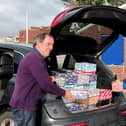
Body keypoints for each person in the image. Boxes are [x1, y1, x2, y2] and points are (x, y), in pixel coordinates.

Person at [9, 32, 73, 126]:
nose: (51, 48)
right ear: (38, 43)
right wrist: (64, 93)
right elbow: (46, 85)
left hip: (24, 104)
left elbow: (35, 77)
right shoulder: (35, 59)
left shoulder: (35, 57)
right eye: (48, 44)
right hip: (25, 106)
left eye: (52, 45)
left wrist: (47, 78)